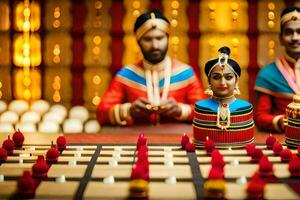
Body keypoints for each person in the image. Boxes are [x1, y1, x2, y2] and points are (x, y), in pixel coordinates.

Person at [97, 10, 205, 125]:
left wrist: (180, 110)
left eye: (159, 38)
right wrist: (129, 110)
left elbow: (205, 113)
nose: (155, 45)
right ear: (138, 42)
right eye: (148, 39)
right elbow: (101, 113)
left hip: (176, 140)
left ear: (167, 39)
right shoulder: (126, 75)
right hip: (136, 140)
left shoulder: (185, 73)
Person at [193, 46, 254, 147]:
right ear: (209, 80)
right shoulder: (201, 107)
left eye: (228, 77)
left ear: (236, 80)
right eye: (216, 77)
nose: (222, 82)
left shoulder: (245, 108)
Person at [254, 7, 300, 133]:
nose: (295, 37)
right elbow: (260, 118)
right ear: (280, 38)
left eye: (299, 31)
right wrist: (285, 122)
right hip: (282, 142)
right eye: (289, 32)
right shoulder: (267, 75)